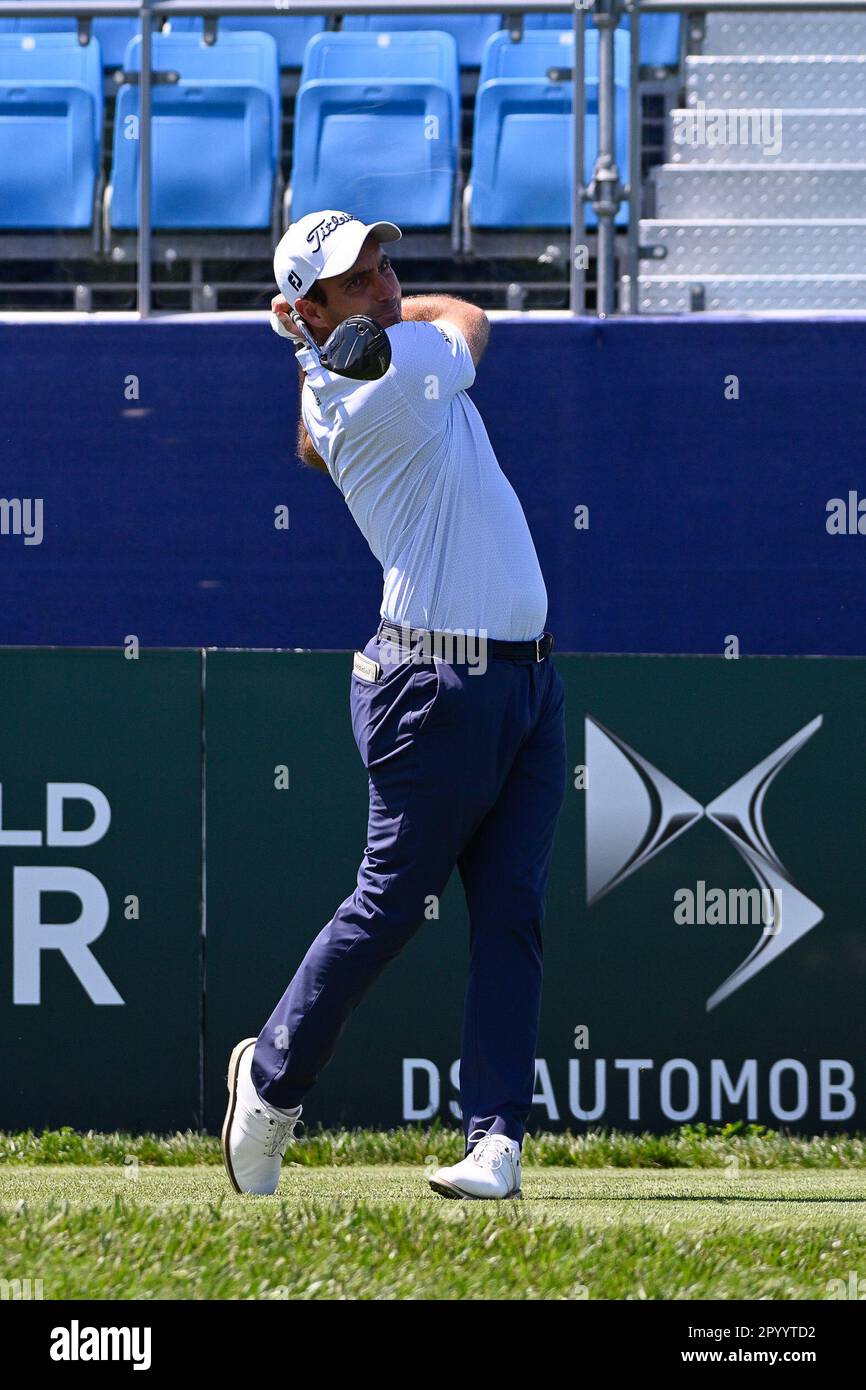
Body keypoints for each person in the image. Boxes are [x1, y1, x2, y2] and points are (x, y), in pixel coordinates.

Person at [221, 209, 567, 1201]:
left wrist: (315, 341)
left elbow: (313, 441)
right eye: (356, 279)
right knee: (385, 908)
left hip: (523, 682)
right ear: (306, 306)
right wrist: (357, 333)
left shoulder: (335, 381)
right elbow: (468, 314)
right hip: (433, 686)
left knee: (511, 912)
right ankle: (272, 1081)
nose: (381, 286)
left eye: (383, 267)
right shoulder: (400, 370)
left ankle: (493, 1139)